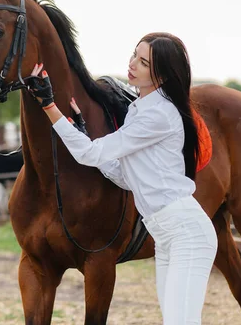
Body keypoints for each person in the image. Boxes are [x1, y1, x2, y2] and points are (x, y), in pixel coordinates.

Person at [27, 32, 218, 324]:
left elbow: (89, 155)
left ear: (163, 76)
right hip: (166, 235)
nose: (132, 64)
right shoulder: (140, 110)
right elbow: (124, 176)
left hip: (186, 234)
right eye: (134, 55)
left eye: (143, 63)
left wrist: (50, 107)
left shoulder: (157, 115)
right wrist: (83, 132)